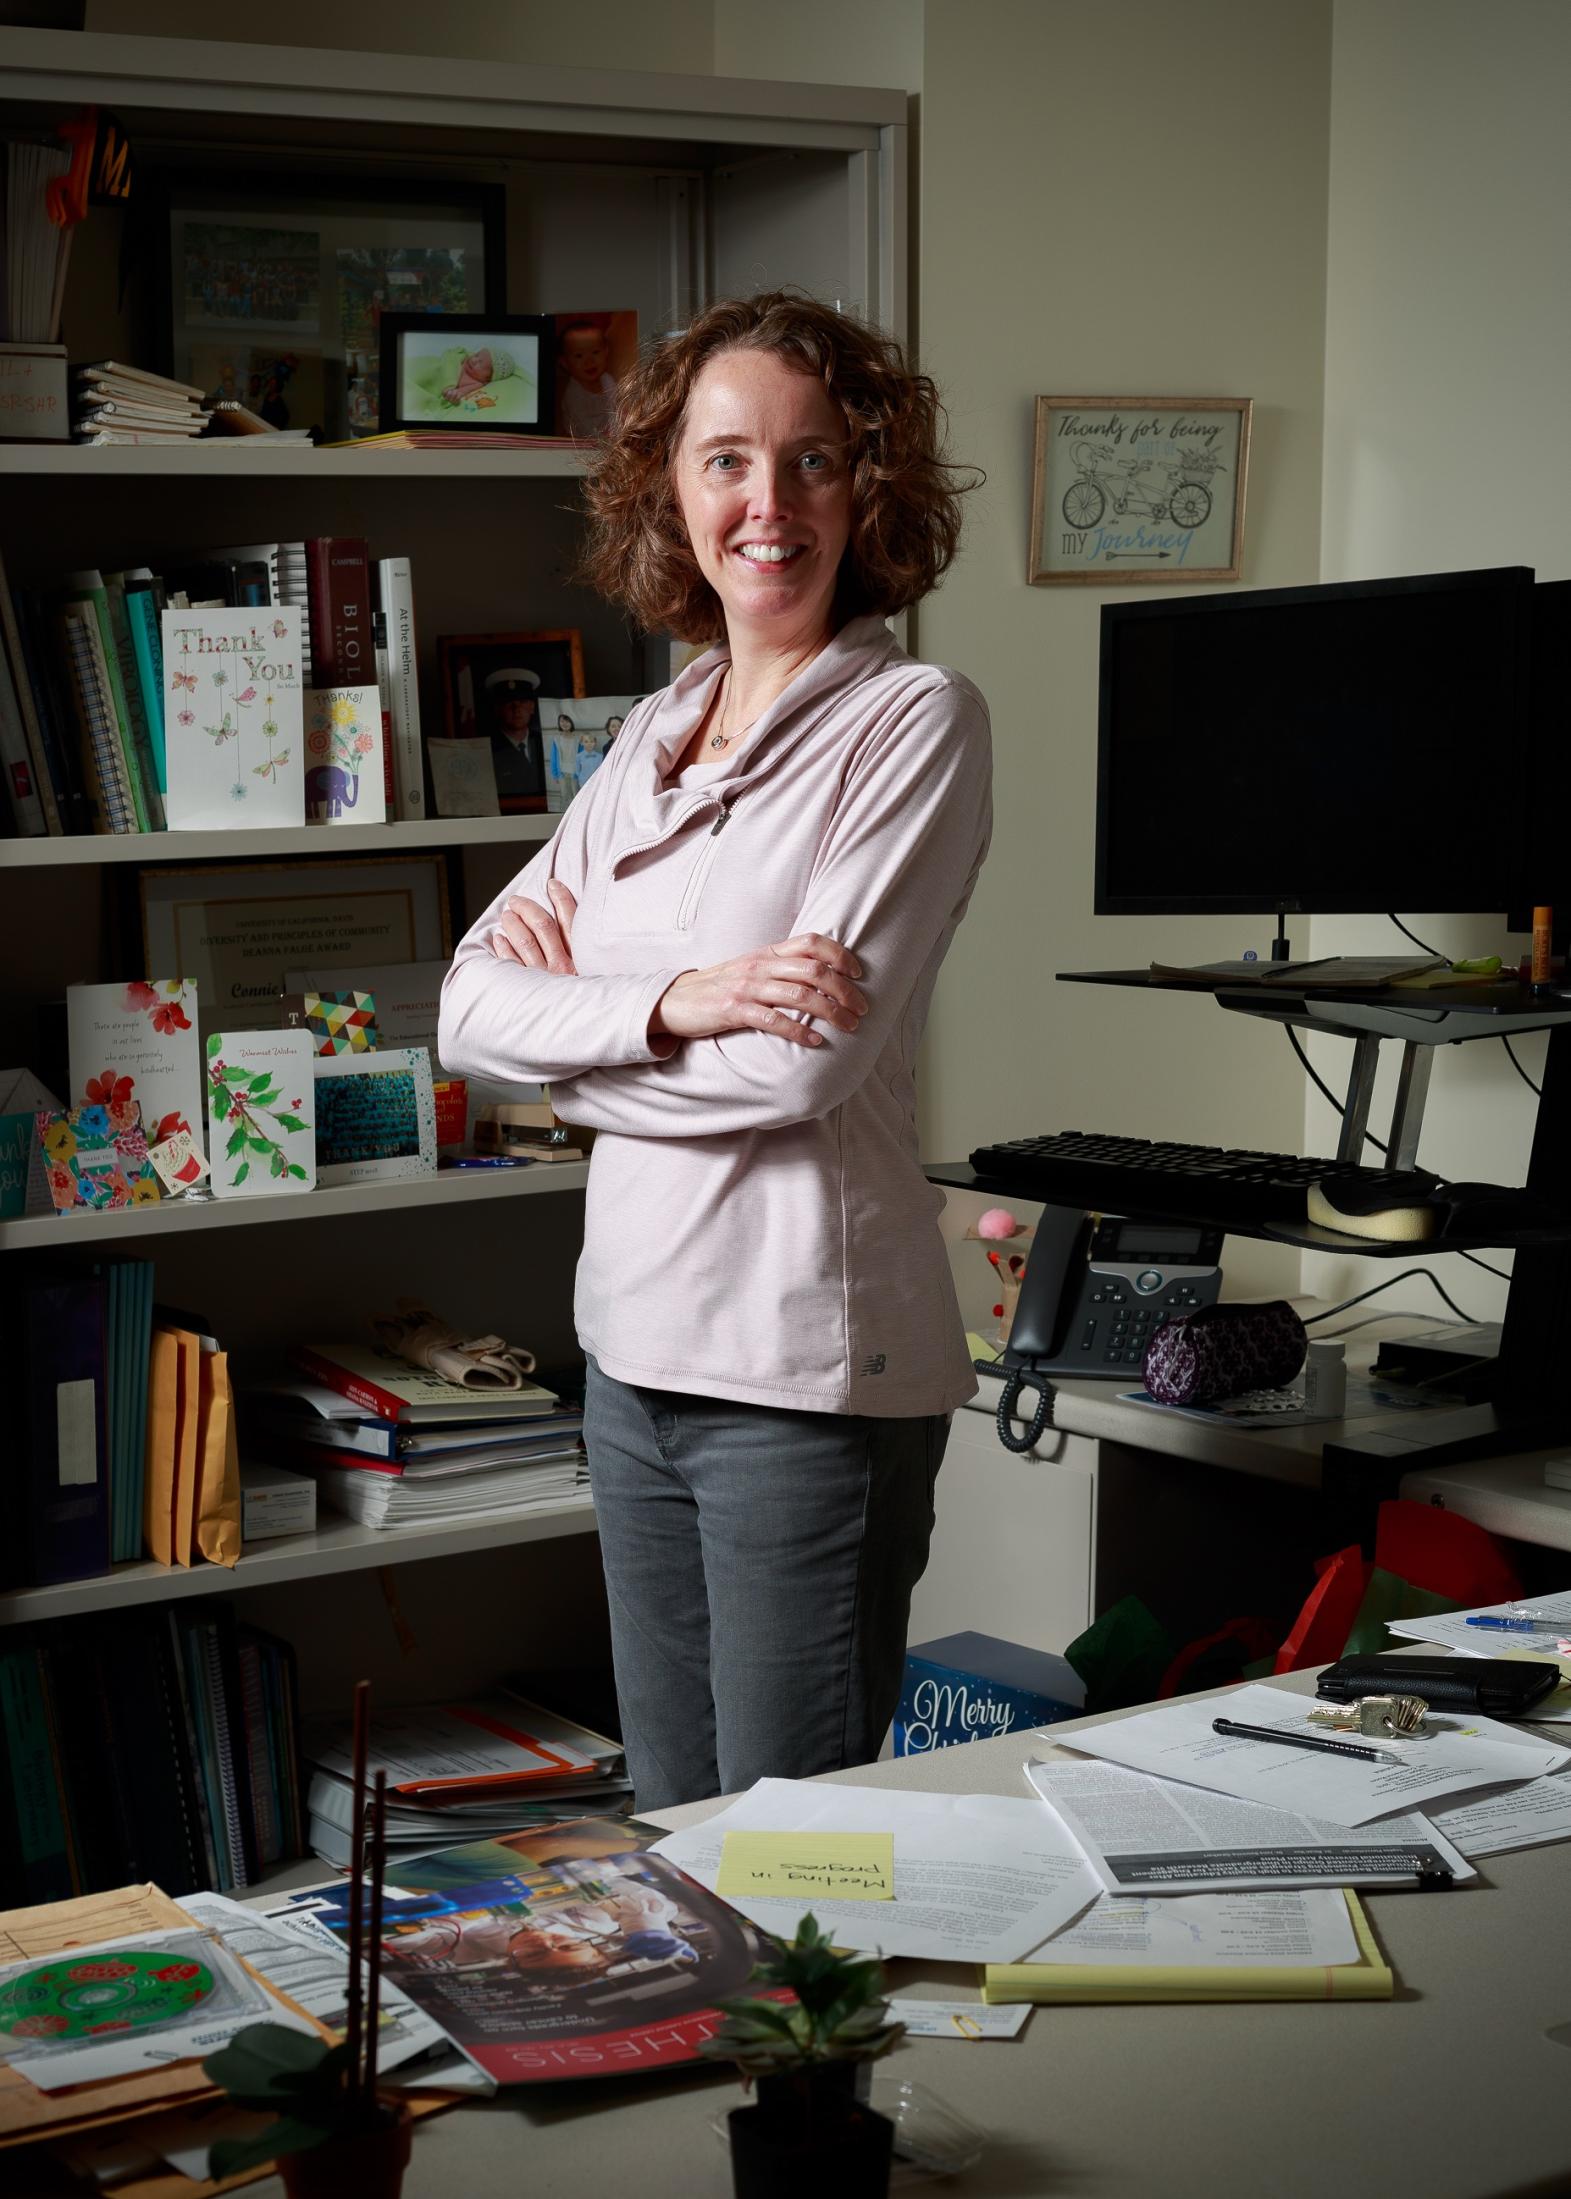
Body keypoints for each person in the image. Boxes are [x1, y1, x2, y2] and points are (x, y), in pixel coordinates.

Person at [438, 291, 988, 1813]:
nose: (769, 502)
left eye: (813, 462)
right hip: (630, 1348)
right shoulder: (649, 734)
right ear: (670, 492)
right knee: (668, 1828)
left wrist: (573, 1047)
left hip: (799, 1374)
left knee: (788, 1847)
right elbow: (465, 1008)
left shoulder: (910, 720)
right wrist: (680, 996)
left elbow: (796, 1071)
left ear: (866, 490)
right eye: (727, 459)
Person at [483, 665, 543, 804]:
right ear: (497, 709)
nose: (517, 709)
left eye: (522, 702)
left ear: (532, 707)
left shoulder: (544, 743)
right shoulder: (487, 748)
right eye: (509, 702)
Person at [557, 319, 619, 437]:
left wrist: (616, 429)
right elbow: (583, 426)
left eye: (595, 352)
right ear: (565, 363)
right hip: (580, 437)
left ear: (606, 352)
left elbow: (615, 408)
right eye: (579, 356)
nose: (589, 362)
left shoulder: (607, 380)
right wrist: (603, 438)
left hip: (608, 434)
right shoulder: (573, 394)